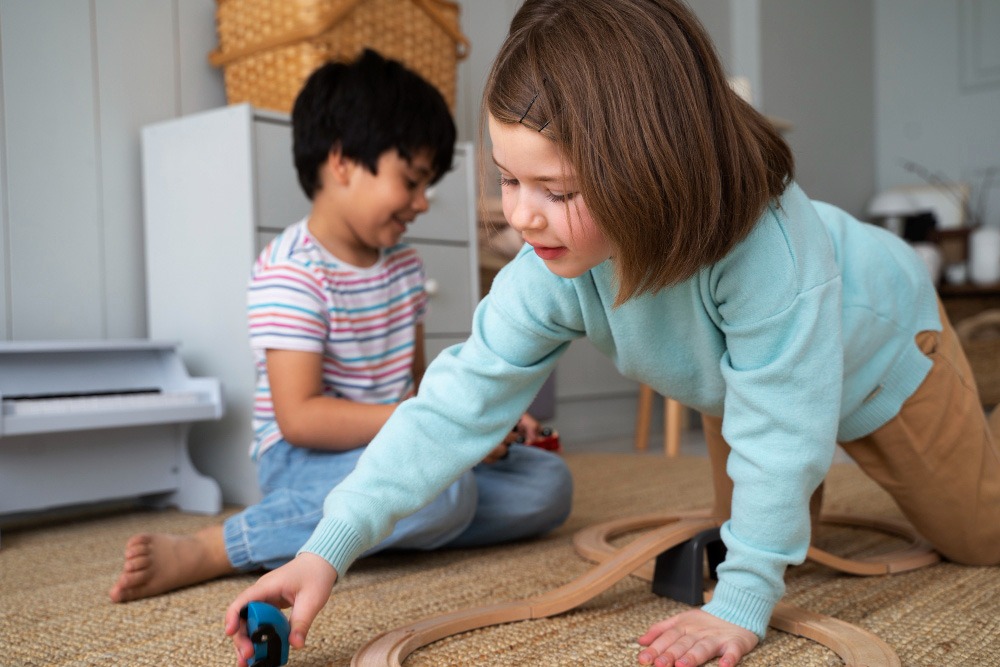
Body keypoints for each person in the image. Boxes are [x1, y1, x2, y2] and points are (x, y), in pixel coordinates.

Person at [225, 3, 1000, 666]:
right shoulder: (548, 264)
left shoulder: (768, 248)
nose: (522, 216)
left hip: (889, 361)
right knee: (765, 520)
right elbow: (450, 406)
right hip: (746, 389)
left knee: (980, 536)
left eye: (555, 190)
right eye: (507, 177)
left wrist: (744, 604)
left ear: (651, 169)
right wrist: (327, 546)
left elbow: (787, 427)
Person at [108, 48, 572, 605]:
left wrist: (481, 419)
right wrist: (418, 430)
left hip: (393, 437)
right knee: (445, 495)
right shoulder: (291, 269)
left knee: (548, 485)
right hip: (307, 458)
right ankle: (220, 547)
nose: (424, 203)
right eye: (412, 180)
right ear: (343, 162)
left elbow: (422, 387)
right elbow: (300, 418)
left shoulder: (404, 267)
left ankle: (369, 531)